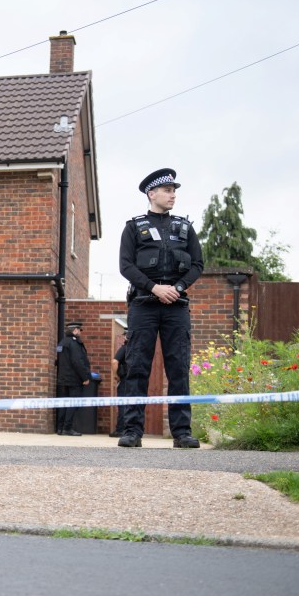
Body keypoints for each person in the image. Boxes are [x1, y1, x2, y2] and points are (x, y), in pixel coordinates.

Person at [117, 168, 203, 448]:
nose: (172, 195)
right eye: (167, 190)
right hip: (143, 305)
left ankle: (182, 433)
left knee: (178, 368)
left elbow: (197, 265)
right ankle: (132, 431)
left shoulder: (185, 227)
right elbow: (126, 266)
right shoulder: (133, 227)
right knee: (137, 368)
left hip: (176, 306)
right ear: (151, 194)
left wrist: (176, 289)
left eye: (174, 190)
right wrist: (154, 288)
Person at [55, 321, 92, 436]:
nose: (80, 333)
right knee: (73, 403)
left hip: (63, 379)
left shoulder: (62, 343)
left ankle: (60, 428)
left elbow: (59, 361)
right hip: (74, 379)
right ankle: (67, 428)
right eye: (79, 330)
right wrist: (85, 377)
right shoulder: (74, 343)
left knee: (63, 403)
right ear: (75, 330)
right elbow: (77, 361)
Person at [109, 331, 128, 437]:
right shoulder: (138, 348)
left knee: (122, 405)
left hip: (125, 379)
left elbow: (114, 362)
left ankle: (120, 430)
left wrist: (116, 375)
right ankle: (131, 430)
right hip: (136, 381)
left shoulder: (124, 348)